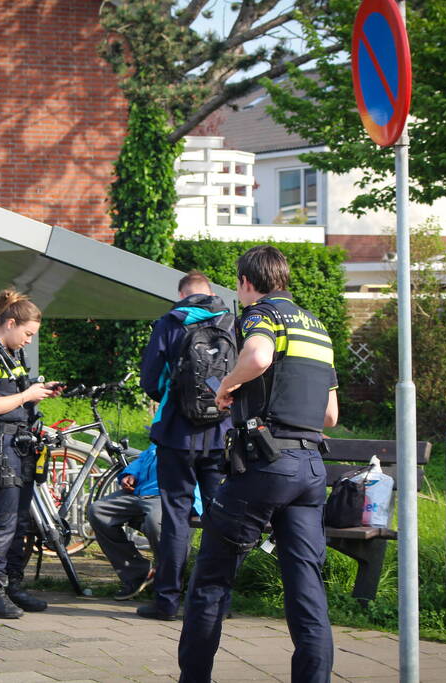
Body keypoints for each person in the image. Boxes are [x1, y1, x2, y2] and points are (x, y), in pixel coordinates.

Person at [177, 246, 339, 682]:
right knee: (306, 588)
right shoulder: (319, 329)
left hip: (266, 466)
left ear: (246, 283)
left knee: (211, 579)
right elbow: (330, 417)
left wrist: (226, 386)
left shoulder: (260, 314)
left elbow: (259, 357)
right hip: (310, 471)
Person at [136, 270, 233, 621]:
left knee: (176, 518)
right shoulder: (231, 321)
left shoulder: (170, 322)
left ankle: (166, 602)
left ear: (181, 294)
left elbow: (150, 379)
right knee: (219, 516)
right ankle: (218, 603)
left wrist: (174, 401)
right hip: (222, 434)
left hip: (177, 435)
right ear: (210, 292)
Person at [0, 289, 63, 619]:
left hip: (20, 446)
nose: (28, 341)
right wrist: (26, 396)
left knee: (22, 523)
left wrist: (38, 393)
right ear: (10, 323)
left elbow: (16, 395)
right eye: (27, 334)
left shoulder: (11, 355)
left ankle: (14, 587)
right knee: (4, 523)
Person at [87, 443, 202, 601]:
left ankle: (169, 584)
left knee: (156, 522)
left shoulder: (194, 434)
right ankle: (138, 574)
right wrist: (130, 474)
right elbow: (144, 458)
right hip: (140, 492)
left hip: (170, 495)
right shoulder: (164, 431)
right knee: (98, 511)